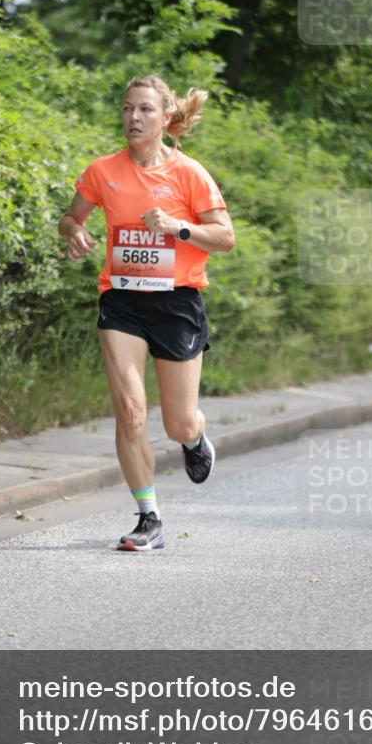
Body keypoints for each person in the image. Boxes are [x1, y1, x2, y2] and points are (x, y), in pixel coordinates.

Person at [57, 74, 235, 550]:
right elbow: (70, 217)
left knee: (177, 421)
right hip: (122, 301)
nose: (133, 117)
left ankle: (195, 439)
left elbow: (225, 237)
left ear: (164, 118)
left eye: (144, 110)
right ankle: (148, 517)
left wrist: (178, 228)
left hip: (176, 303)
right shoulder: (103, 171)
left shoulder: (189, 173)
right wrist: (73, 231)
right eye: (127, 109)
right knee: (131, 413)